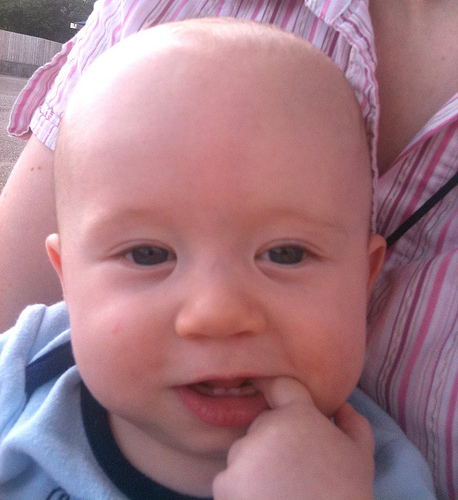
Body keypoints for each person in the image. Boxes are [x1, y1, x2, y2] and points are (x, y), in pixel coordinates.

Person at [1, 0, 456, 498]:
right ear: (67, 276)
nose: (217, 314)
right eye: (148, 255)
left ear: (362, 281)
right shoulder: (20, 375)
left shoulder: (378, 480)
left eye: (285, 254)